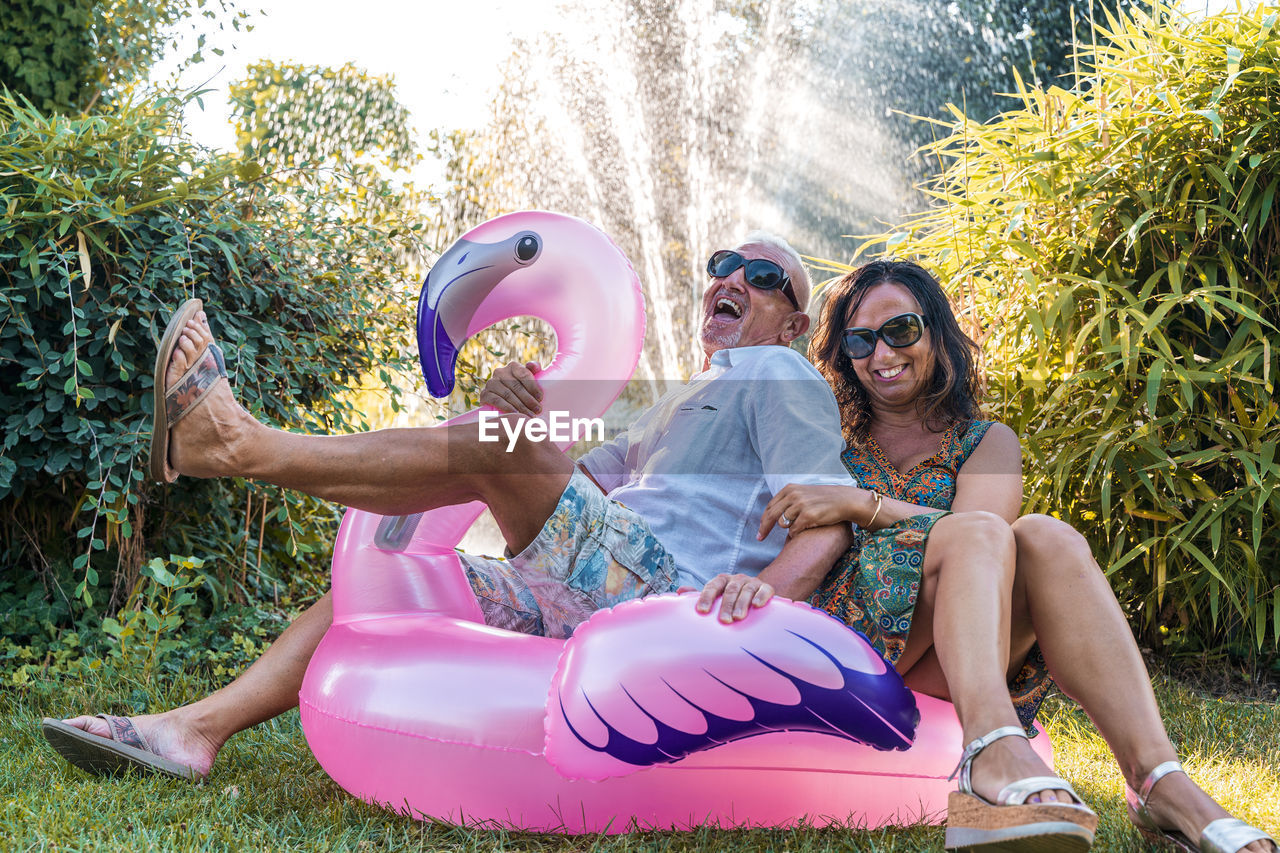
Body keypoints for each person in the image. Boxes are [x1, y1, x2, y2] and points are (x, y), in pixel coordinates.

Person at [43, 231, 858, 776]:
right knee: (390, 579)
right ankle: (191, 729)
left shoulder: (781, 374)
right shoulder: (680, 404)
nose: (731, 280)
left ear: (793, 319)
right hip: (605, 586)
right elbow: (571, 479)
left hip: (676, 606)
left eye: (761, 276)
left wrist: (766, 605)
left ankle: (240, 447)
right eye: (724, 263)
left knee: (493, 447)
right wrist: (523, 421)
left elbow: (828, 509)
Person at [756, 260, 1274, 853]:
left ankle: (1159, 780)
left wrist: (860, 503)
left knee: (1043, 536)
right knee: (980, 534)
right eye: (859, 340)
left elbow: (985, 536)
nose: (882, 354)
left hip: (951, 652)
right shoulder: (826, 436)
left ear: (936, 333)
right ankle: (990, 751)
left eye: (900, 331)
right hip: (849, 645)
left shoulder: (986, 441)